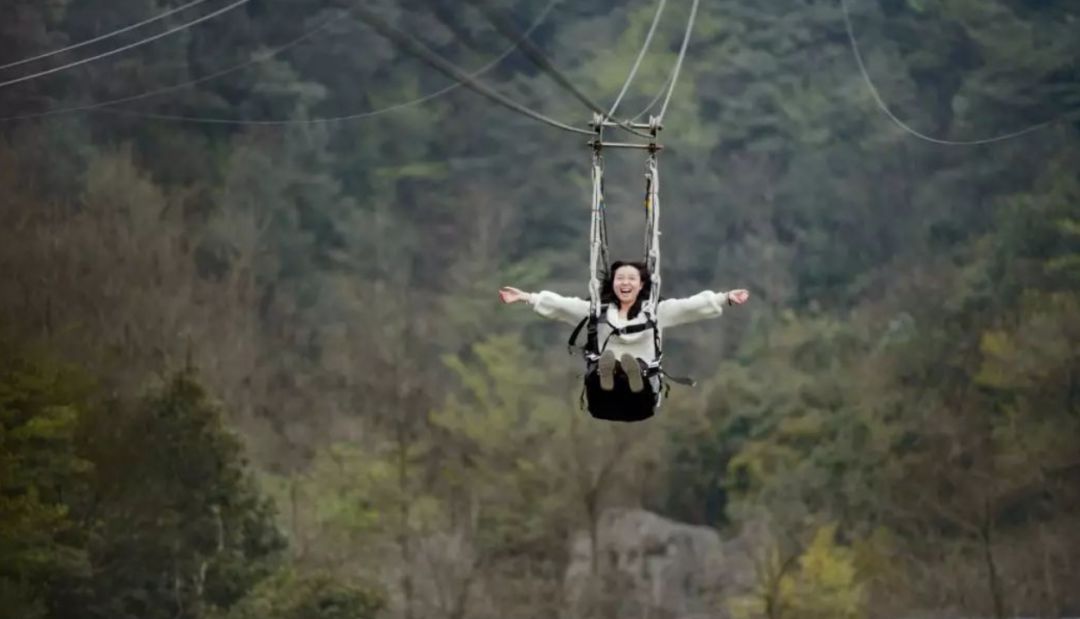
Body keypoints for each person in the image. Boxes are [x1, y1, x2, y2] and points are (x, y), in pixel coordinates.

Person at [499, 260, 749, 421]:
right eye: (620, 278)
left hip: (642, 397)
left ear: (641, 285)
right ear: (613, 283)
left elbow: (689, 307)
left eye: (631, 278)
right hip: (602, 398)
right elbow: (562, 306)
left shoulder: (655, 312)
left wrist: (725, 297)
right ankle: (610, 374)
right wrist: (525, 297)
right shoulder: (597, 313)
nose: (625, 283)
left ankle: (631, 375)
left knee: (635, 366)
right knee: (606, 366)